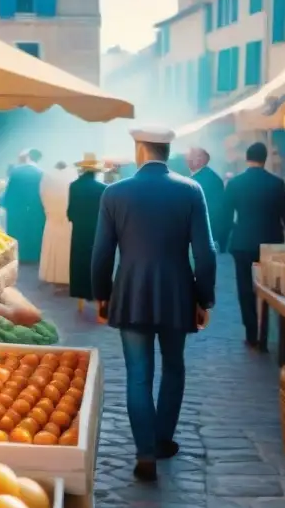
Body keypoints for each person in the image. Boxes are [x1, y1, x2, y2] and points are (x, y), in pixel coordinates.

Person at [92, 126, 217, 482]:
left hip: (130, 293)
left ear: (139, 150)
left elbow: (102, 253)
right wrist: (203, 296)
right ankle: (163, 440)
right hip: (177, 293)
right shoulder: (191, 190)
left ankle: (144, 451)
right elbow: (205, 252)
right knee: (174, 367)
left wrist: (102, 294)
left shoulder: (114, 193)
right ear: (166, 150)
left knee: (137, 374)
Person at [223, 142, 285, 349]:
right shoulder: (276, 183)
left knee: (245, 289)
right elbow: (284, 215)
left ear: (247, 158)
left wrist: (228, 233)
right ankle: (268, 334)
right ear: (265, 159)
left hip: (243, 241)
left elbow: (226, 214)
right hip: (270, 243)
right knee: (271, 290)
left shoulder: (235, 183)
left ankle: (251, 334)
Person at [67, 154, 107, 308]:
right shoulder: (103, 188)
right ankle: (97, 295)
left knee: (79, 262)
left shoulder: (73, 186)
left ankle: (80, 294)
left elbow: (70, 213)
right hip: (97, 232)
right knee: (96, 263)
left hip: (78, 232)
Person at [0, 149, 46, 263]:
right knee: (34, 232)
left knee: (17, 232)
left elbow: (9, 192)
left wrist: (2, 202)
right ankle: (34, 256)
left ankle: (18, 256)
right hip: (36, 210)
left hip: (17, 211)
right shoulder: (41, 173)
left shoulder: (15, 172)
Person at [38, 159, 76, 285]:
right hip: (68, 220)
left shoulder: (47, 177)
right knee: (66, 249)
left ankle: (51, 275)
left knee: (52, 248)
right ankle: (67, 277)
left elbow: (42, 195)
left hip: (52, 218)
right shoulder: (73, 176)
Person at [188, 147, 227, 251]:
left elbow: (216, 210)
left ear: (200, 159)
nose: (188, 159)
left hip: (203, 236)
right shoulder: (212, 177)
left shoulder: (198, 181)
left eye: (191, 156)